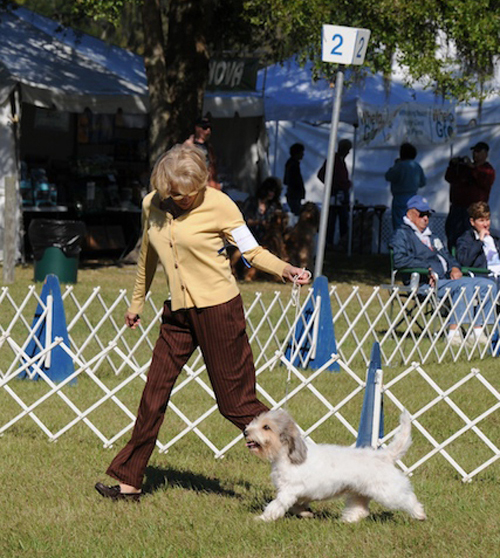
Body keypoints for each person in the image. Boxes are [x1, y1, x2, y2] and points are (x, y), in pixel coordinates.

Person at [95, 144, 310, 500]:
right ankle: (130, 483)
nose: (180, 200)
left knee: (236, 404)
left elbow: (251, 251)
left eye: (187, 194)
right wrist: (137, 303)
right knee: (153, 396)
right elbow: (148, 256)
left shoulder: (220, 204)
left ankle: (304, 463)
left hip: (219, 311)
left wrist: (285, 269)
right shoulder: (152, 204)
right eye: (174, 194)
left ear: (200, 184)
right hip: (177, 315)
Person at [391, 195, 497, 346]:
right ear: (410, 214)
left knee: (488, 285)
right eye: (422, 214)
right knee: (463, 286)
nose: (426, 218)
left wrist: (454, 267)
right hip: (423, 283)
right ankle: (453, 334)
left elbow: (448, 256)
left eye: (428, 214)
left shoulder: (432, 236)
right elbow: (400, 260)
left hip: (445, 280)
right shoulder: (402, 234)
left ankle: (478, 331)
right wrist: (426, 268)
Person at [444, 141, 495, 251]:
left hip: (474, 211)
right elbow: (449, 178)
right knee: (453, 235)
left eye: (478, 152)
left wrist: (472, 167)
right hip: (457, 208)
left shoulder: (487, 170)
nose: (475, 154)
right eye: (474, 152)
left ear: (485, 154)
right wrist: (453, 165)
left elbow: (483, 181)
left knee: (470, 238)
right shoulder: (465, 168)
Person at [317, 138, 352, 248]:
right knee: (331, 220)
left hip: (342, 196)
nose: (348, 152)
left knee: (343, 220)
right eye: (347, 150)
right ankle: (329, 242)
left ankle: (342, 242)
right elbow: (321, 175)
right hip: (334, 195)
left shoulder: (342, 161)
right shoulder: (333, 160)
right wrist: (332, 185)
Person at [385, 142, 426, 231]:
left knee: (399, 225)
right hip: (413, 198)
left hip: (400, 198)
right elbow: (423, 183)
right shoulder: (417, 166)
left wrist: (395, 165)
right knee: (411, 225)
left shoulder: (400, 165)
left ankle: (400, 243)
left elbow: (389, 176)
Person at [456, 201, 500, 277]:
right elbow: (464, 261)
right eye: (481, 221)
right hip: (484, 277)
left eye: (487, 220)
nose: (486, 224)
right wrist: (479, 241)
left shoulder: (496, 236)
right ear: (472, 222)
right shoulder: (466, 239)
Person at [241, 176, 283, 243]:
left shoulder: (273, 206)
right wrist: (259, 222)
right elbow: (244, 221)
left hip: (265, 240)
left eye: (274, 192)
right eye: (271, 191)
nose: (272, 194)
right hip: (248, 238)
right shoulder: (252, 202)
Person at [184, 116, 220, 189]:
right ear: (197, 128)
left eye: (210, 128)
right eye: (205, 128)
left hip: (208, 183)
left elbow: (212, 166)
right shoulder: (188, 145)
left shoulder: (209, 147)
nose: (208, 131)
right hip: (193, 183)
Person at [283, 143, 305, 216]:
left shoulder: (292, 163)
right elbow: (292, 180)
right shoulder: (293, 165)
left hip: (294, 193)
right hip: (294, 193)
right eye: (301, 153)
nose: (303, 155)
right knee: (296, 213)